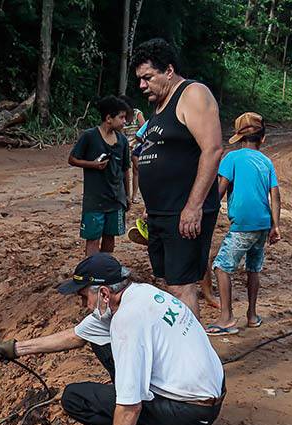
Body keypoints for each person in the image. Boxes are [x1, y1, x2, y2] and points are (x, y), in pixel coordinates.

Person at [0, 253, 225, 425]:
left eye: (83, 296)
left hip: (194, 408)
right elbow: (77, 336)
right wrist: (16, 349)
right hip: (207, 390)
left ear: (102, 293)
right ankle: (154, 420)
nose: (82, 304)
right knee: (98, 340)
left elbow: (130, 407)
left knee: (75, 399)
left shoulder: (127, 321)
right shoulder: (139, 293)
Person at [131, 38, 223, 316]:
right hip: (161, 213)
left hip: (184, 213)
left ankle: (193, 357)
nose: (142, 85)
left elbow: (213, 149)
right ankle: (176, 350)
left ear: (168, 71)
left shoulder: (192, 94)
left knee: (182, 287)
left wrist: (193, 207)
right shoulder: (159, 106)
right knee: (166, 283)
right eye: (139, 79)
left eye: (148, 77)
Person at [205, 112, 281, 336]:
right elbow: (275, 196)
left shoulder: (232, 158)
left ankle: (227, 318)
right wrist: (276, 226)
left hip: (243, 225)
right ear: (263, 138)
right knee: (253, 268)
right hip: (263, 224)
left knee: (221, 267)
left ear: (238, 137)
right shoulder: (267, 162)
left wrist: (206, 210)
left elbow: (220, 188)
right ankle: (252, 315)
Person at [69, 96, 132, 256]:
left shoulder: (123, 141)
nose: (125, 121)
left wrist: (128, 196)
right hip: (94, 200)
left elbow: (125, 169)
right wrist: (93, 165)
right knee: (93, 238)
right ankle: (92, 272)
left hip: (116, 199)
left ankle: (104, 270)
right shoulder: (89, 136)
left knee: (110, 237)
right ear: (109, 118)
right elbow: (72, 159)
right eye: (122, 117)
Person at [120, 94, 145, 204]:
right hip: (125, 144)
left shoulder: (137, 114)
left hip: (137, 144)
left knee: (136, 169)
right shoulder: (121, 117)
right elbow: (120, 133)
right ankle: (127, 195)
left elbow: (144, 129)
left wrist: (134, 143)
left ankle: (134, 195)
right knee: (125, 170)